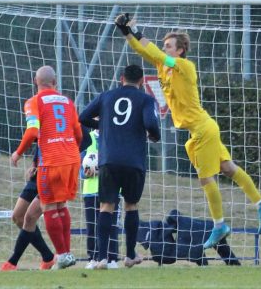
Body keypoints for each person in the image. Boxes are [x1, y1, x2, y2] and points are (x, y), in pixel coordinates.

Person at [114, 13, 261, 249]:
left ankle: (220, 225)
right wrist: (126, 32)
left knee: (206, 179)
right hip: (203, 127)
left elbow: (156, 54)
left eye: (169, 45)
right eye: (164, 45)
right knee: (228, 168)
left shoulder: (184, 66)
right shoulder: (164, 66)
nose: (164, 48)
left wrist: (136, 29)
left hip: (202, 130)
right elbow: (145, 52)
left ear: (179, 51)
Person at [79, 64, 161, 269]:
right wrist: (154, 136)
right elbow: (151, 124)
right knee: (131, 206)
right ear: (141, 81)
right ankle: (130, 255)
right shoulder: (146, 99)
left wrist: (104, 125)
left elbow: (83, 117)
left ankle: (102, 258)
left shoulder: (107, 96)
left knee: (106, 206)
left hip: (109, 161)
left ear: (121, 78)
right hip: (134, 161)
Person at [10, 65, 83, 269]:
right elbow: (78, 133)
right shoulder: (67, 101)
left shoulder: (34, 102)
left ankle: (61, 255)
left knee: (49, 206)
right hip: (71, 158)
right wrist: (69, 148)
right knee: (61, 205)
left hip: (51, 160)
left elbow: (33, 131)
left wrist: (18, 152)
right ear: (55, 82)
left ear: (36, 81)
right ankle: (65, 253)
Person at [0, 147, 56, 271]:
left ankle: (12, 262)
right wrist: (34, 163)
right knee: (17, 216)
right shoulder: (41, 128)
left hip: (52, 174)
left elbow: (84, 139)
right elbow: (40, 142)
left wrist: (18, 153)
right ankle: (48, 257)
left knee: (30, 218)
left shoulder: (69, 128)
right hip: (37, 174)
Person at [80, 128, 120, 270]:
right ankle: (93, 258)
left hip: (111, 189)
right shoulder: (88, 138)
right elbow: (81, 168)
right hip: (91, 191)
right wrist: (87, 172)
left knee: (112, 225)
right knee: (92, 227)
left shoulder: (114, 135)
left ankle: (112, 258)